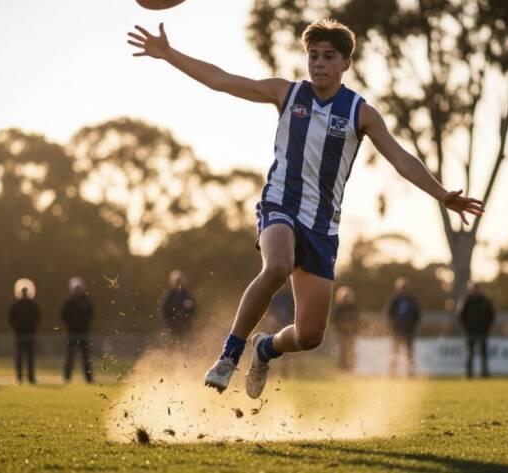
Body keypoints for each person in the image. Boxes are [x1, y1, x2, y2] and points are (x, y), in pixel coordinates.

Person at [127, 18, 484, 398]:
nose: (318, 64)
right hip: (280, 205)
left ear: (346, 63)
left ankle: (264, 348)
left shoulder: (360, 113)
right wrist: (169, 54)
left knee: (310, 335)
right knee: (277, 266)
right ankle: (229, 355)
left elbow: (401, 159)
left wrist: (442, 194)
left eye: (328, 57)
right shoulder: (288, 93)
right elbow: (222, 79)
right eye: (313, 56)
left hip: (322, 229)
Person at [459, 282, 495, 378]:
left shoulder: (486, 301)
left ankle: (485, 373)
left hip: (483, 332)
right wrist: (466, 328)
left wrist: (487, 327)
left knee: (484, 354)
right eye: (475, 289)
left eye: (478, 289)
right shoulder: (467, 301)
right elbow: (461, 316)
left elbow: (491, 316)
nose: (476, 291)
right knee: (470, 354)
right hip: (470, 332)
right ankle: (469, 374)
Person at [61, 277, 94, 383]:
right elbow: (63, 315)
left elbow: (90, 314)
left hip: (83, 333)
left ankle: (88, 378)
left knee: (86, 357)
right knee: (70, 357)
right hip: (71, 333)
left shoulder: (86, 301)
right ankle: (67, 377)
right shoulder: (68, 302)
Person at [385, 278, 420, 377]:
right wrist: (393, 326)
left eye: (405, 287)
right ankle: (392, 372)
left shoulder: (412, 300)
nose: (403, 289)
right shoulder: (394, 300)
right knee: (395, 353)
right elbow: (389, 314)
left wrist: (413, 326)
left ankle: (411, 373)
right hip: (397, 331)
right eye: (402, 287)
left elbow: (417, 315)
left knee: (409, 354)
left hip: (409, 330)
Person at [8, 278, 39, 384]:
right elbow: (11, 318)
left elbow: (37, 318)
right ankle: (19, 377)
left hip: (30, 335)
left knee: (30, 357)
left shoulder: (33, 305)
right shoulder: (16, 305)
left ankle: (31, 377)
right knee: (19, 358)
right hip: (19, 334)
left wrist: (32, 329)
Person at [159, 270, 197, 349]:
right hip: (172, 326)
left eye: (180, 281)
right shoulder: (168, 296)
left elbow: (193, 309)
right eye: (177, 281)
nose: (178, 283)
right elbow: (164, 311)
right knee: (172, 347)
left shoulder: (187, 295)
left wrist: (189, 320)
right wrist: (168, 322)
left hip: (186, 326)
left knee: (186, 347)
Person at [266, 283, 295, 377]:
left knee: (286, 348)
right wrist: (272, 319)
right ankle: (268, 369)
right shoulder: (273, 295)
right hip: (275, 323)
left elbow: (294, 310)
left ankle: (284, 371)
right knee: (270, 345)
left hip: (286, 324)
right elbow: (268, 310)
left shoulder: (290, 295)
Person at [332, 286, 360, 372]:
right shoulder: (338, 308)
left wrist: (352, 326)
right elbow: (334, 320)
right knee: (341, 351)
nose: (345, 299)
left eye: (347, 297)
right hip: (340, 333)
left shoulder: (353, 307)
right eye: (344, 297)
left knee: (351, 351)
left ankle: (350, 368)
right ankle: (341, 369)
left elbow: (357, 320)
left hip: (351, 333)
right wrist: (342, 326)